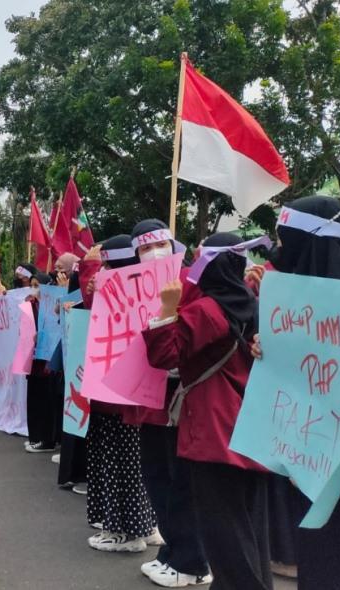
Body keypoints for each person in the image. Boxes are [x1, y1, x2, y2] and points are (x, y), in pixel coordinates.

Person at [145, 232, 270, 590]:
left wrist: (167, 309)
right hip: (248, 422)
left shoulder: (207, 310)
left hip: (213, 428)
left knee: (223, 532)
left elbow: (164, 355)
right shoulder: (251, 300)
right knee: (246, 527)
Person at [259, 195, 340, 590]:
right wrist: (267, 349)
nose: (279, 249)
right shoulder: (298, 302)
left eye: (285, 240)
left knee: (337, 558)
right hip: (310, 460)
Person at [120, 221, 211, 587]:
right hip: (148, 400)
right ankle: (173, 553)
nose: (152, 253)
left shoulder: (192, 282)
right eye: (143, 249)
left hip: (181, 400)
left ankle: (192, 561)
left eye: (158, 245)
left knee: (181, 483)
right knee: (157, 478)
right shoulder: (129, 287)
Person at [72, 235, 158, 554]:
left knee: (117, 464)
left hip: (113, 397)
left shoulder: (117, 291)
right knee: (137, 463)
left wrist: (90, 268)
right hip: (137, 395)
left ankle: (124, 531)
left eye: (107, 264)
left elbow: (96, 309)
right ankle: (145, 524)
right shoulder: (148, 289)